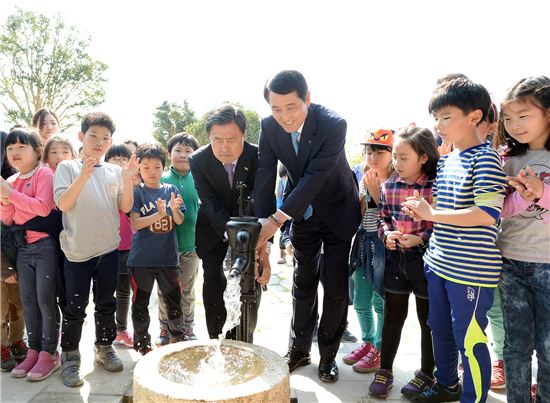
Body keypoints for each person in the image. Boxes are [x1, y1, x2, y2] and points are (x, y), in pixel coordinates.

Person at [403, 75, 507, 403]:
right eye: (436, 118)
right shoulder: (447, 159)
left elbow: (486, 214)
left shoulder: (486, 159)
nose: (439, 125)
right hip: (438, 263)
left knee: (470, 338)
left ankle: (473, 397)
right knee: (439, 329)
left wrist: (430, 214)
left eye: (446, 117)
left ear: (474, 117)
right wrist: (427, 212)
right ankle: (447, 386)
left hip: (471, 272)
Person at [254, 70, 361, 383]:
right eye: (276, 109)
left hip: (338, 209)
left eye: (291, 107)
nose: (284, 116)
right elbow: (265, 173)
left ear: (307, 99)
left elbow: (316, 175)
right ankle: (299, 348)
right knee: (302, 281)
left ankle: (328, 355)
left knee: (336, 285)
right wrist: (264, 225)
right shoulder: (269, 127)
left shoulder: (333, 124)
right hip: (302, 215)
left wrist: (277, 219)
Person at [53, 112, 138, 387]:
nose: (100, 142)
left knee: (106, 303)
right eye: (94, 136)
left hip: (108, 250)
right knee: (75, 306)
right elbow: (64, 204)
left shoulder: (115, 171)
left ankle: (104, 348)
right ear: (81, 137)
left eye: (105, 138)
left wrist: (127, 179)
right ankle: (70, 357)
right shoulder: (66, 168)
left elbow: (125, 208)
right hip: (77, 253)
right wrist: (84, 174)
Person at [368, 126, 438, 399]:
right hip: (396, 260)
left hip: (426, 260)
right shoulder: (389, 186)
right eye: (395, 157)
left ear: (423, 157)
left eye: (403, 157)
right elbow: (383, 217)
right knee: (393, 316)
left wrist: (420, 238)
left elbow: (442, 223)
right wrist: (387, 235)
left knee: (427, 321)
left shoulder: (435, 186)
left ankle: (426, 374)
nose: (397, 163)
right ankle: (384, 370)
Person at [189, 104, 270, 341]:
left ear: (244, 135)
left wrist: (262, 246)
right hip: (214, 226)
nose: (224, 147)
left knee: (250, 277)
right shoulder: (198, 160)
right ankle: (216, 336)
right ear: (209, 138)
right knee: (213, 278)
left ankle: (245, 335)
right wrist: (231, 235)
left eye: (231, 139)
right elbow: (209, 201)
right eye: (217, 140)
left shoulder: (259, 156)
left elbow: (265, 199)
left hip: (251, 222)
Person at [494, 76, 550, 403]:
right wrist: (521, 197)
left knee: (547, 348)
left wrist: (540, 193)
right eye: (509, 118)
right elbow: (499, 211)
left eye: (523, 115)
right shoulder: (507, 160)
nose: (514, 125)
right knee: (515, 347)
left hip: (547, 266)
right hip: (510, 263)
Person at [1, 128, 60, 381]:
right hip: (23, 249)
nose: (14, 152)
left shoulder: (44, 173)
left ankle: (50, 352)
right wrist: (4, 201)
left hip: (45, 246)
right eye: (10, 148)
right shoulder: (12, 181)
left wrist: (10, 195)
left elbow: (43, 208)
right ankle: (33, 350)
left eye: (21, 147)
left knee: (46, 300)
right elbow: (9, 219)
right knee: (28, 302)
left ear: (37, 151)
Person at [128, 142, 187, 355]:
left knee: (174, 302)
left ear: (163, 167)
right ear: (139, 169)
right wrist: (158, 215)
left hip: (168, 259)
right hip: (141, 260)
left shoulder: (171, 189)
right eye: (146, 167)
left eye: (156, 166)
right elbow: (135, 223)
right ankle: (143, 344)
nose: (151, 172)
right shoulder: (137, 192)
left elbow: (179, 220)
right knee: (141, 304)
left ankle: (177, 341)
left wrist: (174, 210)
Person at [344, 128, 393, 374]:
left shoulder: (397, 180)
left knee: (379, 301)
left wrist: (377, 193)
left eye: (379, 152)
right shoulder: (361, 176)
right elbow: (360, 214)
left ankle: (381, 349)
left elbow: (396, 217)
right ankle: (368, 342)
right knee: (361, 300)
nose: (372, 157)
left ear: (391, 153)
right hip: (363, 244)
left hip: (384, 247)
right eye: (368, 152)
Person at [156, 133, 200, 345]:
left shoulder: (200, 178)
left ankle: (187, 326)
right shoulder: (161, 179)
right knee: (165, 291)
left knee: (187, 290)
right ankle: (165, 328)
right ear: (169, 153)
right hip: (164, 248)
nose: (183, 155)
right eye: (178, 151)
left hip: (191, 246)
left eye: (188, 151)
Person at [0, 130, 28, 373]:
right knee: (0, 310)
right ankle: (1, 347)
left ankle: (17, 342)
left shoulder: (11, 183)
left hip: (19, 259)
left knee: (18, 307)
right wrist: (4, 268)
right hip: (2, 265)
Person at [104, 144, 137, 349]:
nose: (119, 162)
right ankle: (106, 332)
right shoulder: (102, 184)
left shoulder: (133, 185)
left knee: (125, 291)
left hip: (129, 246)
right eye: (114, 159)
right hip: (107, 245)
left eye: (123, 159)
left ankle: (121, 329)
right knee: (105, 292)